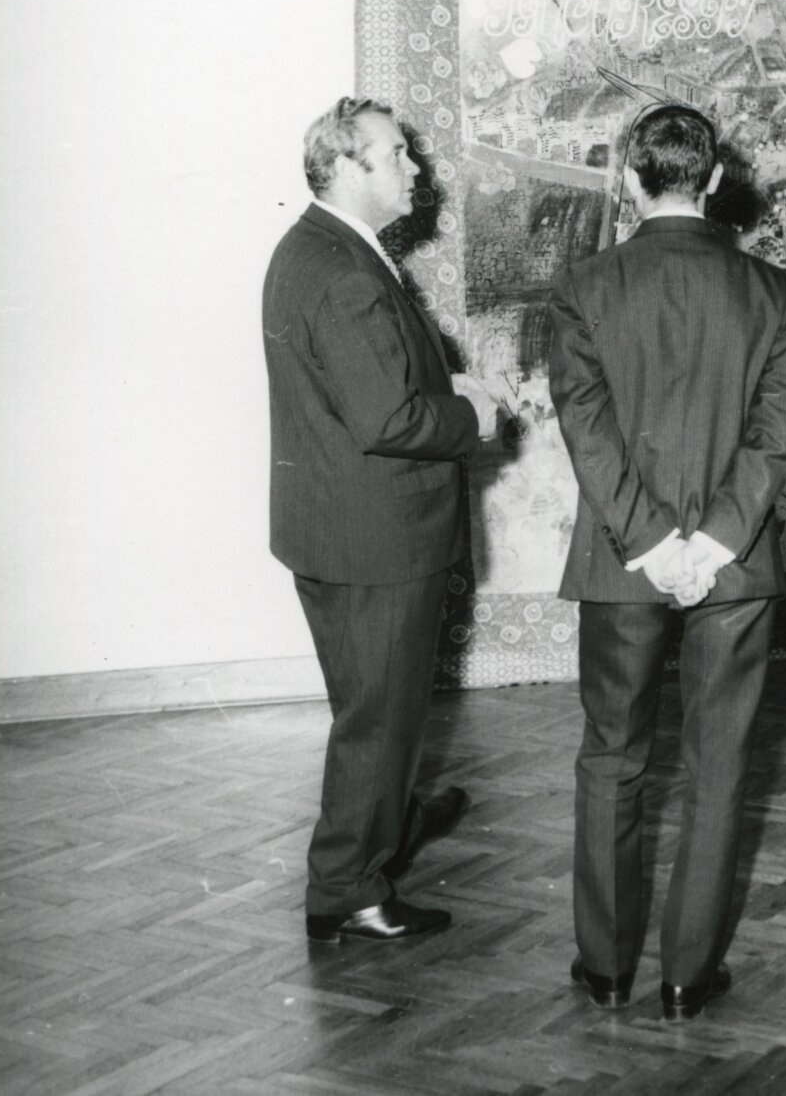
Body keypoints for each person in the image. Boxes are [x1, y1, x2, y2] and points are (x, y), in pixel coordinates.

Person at [548, 103, 786, 1020]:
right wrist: (715, 540)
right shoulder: (773, 291)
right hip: (736, 572)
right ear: (715, 180)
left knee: (611, 757)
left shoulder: (584, 285)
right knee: (719, 765)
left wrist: (653, 544)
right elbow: (779, 435)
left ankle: (605, 967)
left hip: (621, 565)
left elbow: (587, 432)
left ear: (629, 179)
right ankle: (686, 976)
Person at [263, 96, 500, 943]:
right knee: (378, 717)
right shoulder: (347, 275)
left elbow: (362, 389)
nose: (415, 167)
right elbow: (388, 420)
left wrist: (442, 386)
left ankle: (388, 821)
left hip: (338, 524)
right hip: (378, 539)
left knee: (373, 704)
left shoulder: (315, 248)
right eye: (397, 153)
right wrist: (472, 417)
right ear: (344, 167)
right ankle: (347, 889)